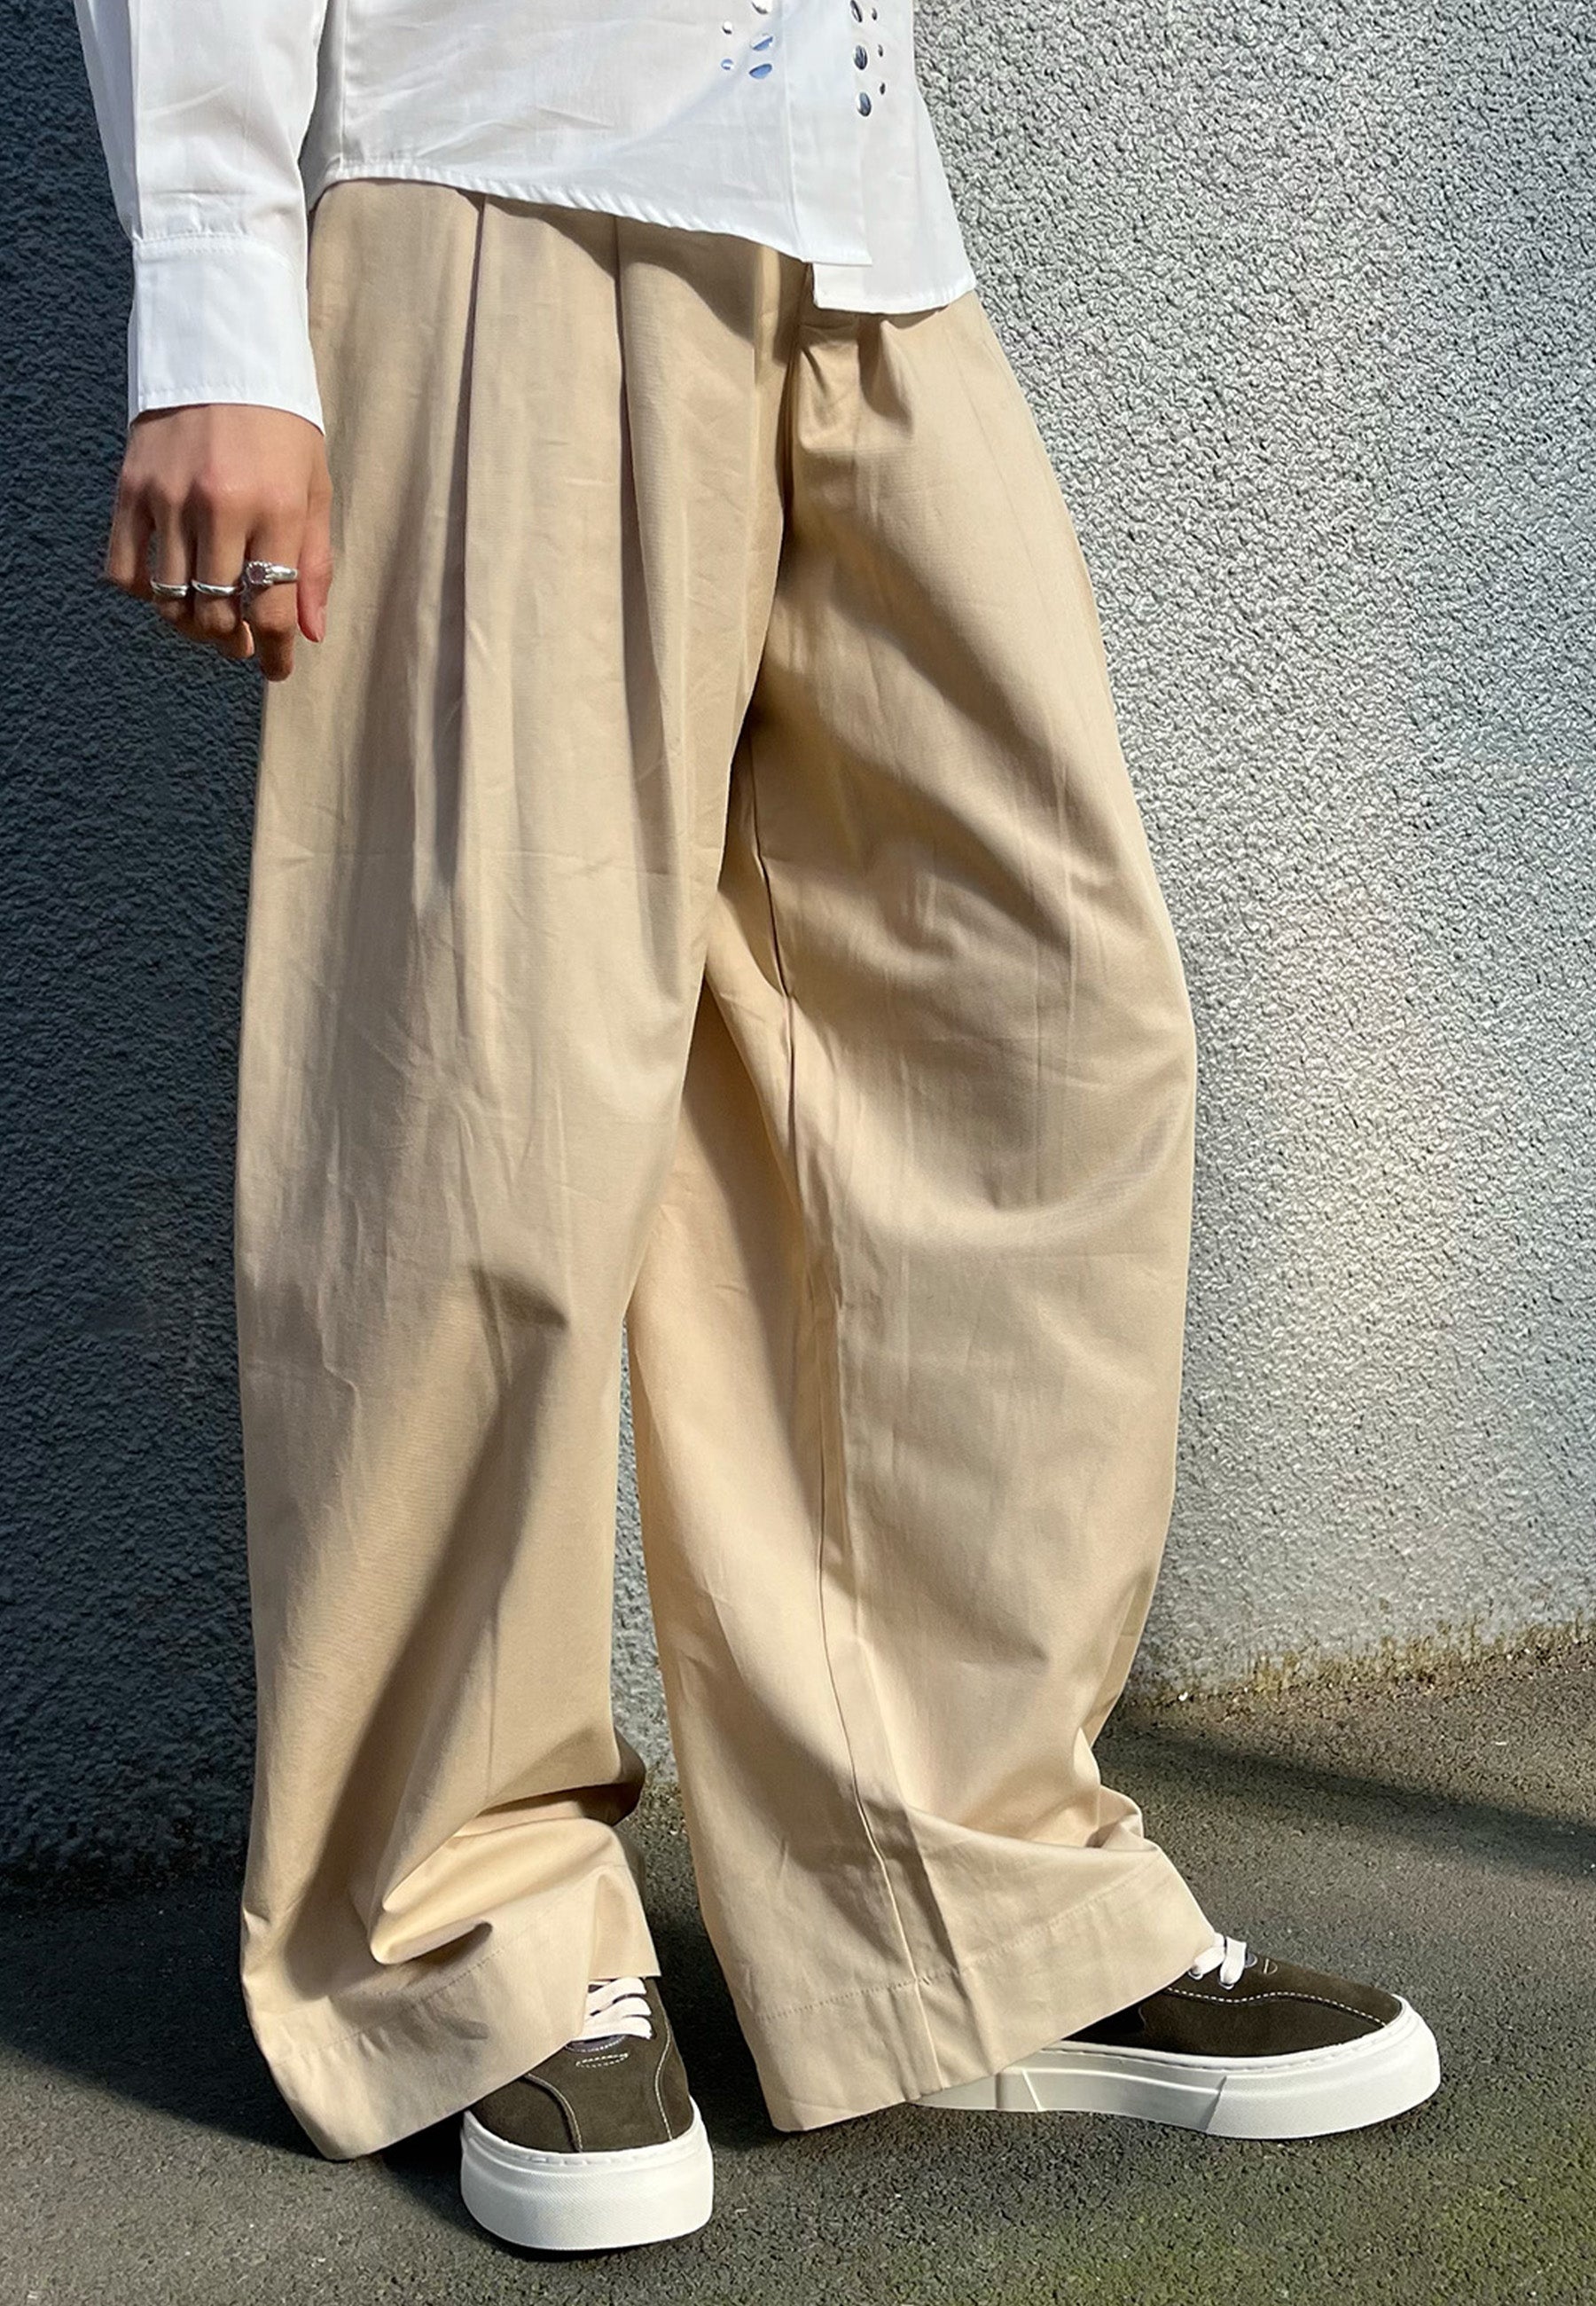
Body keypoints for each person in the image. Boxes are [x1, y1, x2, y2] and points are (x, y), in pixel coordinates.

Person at [72, 0, 1440, 2258]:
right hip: (501, 164)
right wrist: (217, 286)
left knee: (1032, 1024)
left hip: (851, 194)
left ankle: (958, 1900)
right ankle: (466, 1937)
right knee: (482, 1098)